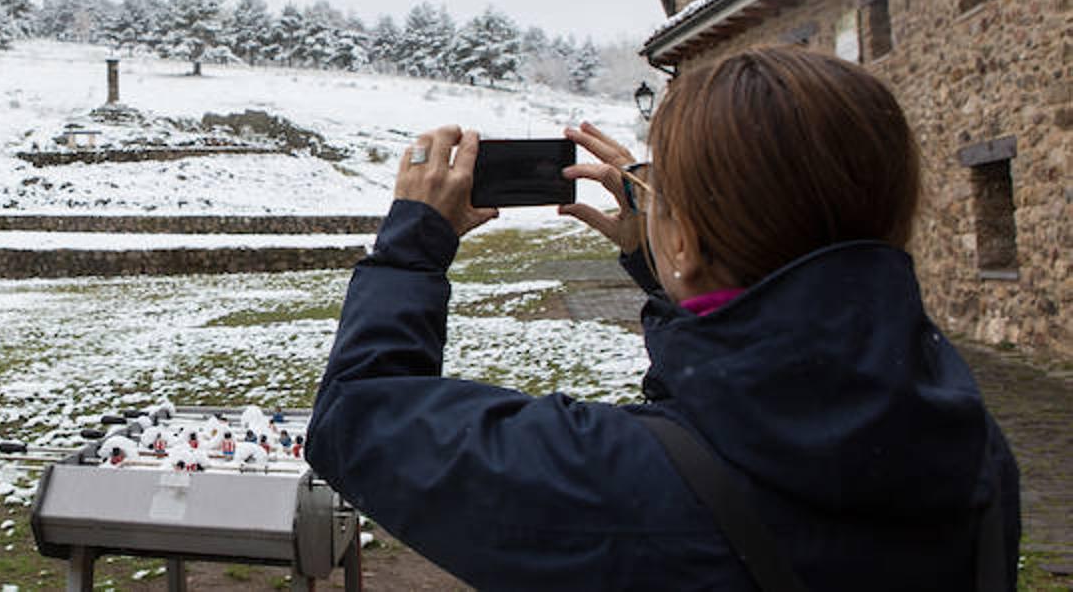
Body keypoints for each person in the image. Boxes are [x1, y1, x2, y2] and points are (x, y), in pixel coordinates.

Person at [305, 47, 1019, 590]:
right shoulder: (971, 443)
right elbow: (753, 385)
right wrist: (671, 263)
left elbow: (359, 420)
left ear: (688, 239)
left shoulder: (611, 481)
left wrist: (412, 245)